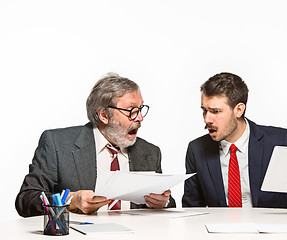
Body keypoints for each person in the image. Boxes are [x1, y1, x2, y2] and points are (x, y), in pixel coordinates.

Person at [16, 73, 175, 217]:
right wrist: (71, 201)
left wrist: (163, 203)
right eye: (131, 110)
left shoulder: (150, 152)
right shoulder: (57, 144)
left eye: (140, 109)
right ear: (104, 115)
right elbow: (26, 200)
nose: (140, 117)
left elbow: (168, 203)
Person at [182, 72, 287, 213]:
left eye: (215, 111)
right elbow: (192, 211)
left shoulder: (280, 141)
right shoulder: (197, 149)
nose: (207, 119)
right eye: (204, 110)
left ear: (239, 110)